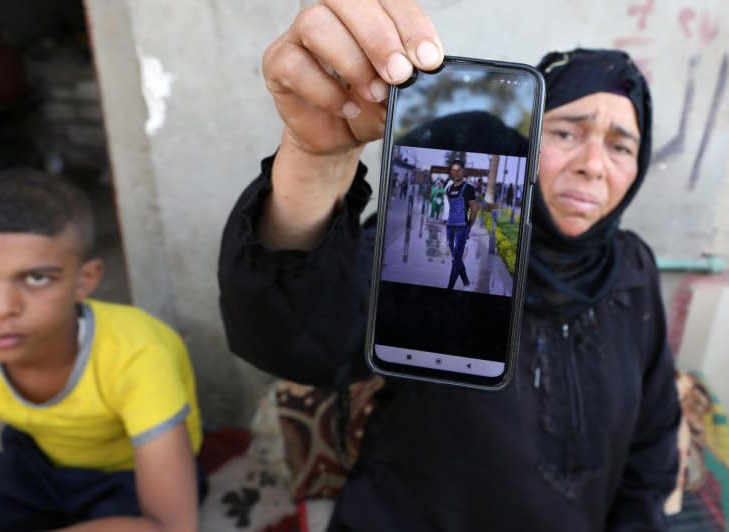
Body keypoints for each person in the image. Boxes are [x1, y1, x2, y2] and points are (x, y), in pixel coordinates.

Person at [218, 2, 680, 530]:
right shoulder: (474, 241)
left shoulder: (632, 269)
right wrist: (314, 161)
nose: (593, 166)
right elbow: (298, 337)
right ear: (526, 142)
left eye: (621, 146)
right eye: (567, 132)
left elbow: (652, 443)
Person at [0, 174, 204, 531]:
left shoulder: (137, 351)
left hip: (126, 475)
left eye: (37, 278)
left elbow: (170, 525)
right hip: (34, 467)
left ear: (84, 281)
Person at [444, 160, 478, 289]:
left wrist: (469, 225)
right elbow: (451, 207)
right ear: (451, 172)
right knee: (456, 256)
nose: (456, 172)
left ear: (463, 171)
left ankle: (449, 287)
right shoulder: (448, 189)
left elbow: (474, 208)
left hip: (462, 228)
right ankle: (466, 282)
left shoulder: (468, 188)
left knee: (456, 259)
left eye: (458, 170)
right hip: (450, 227)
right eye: (453, 170)